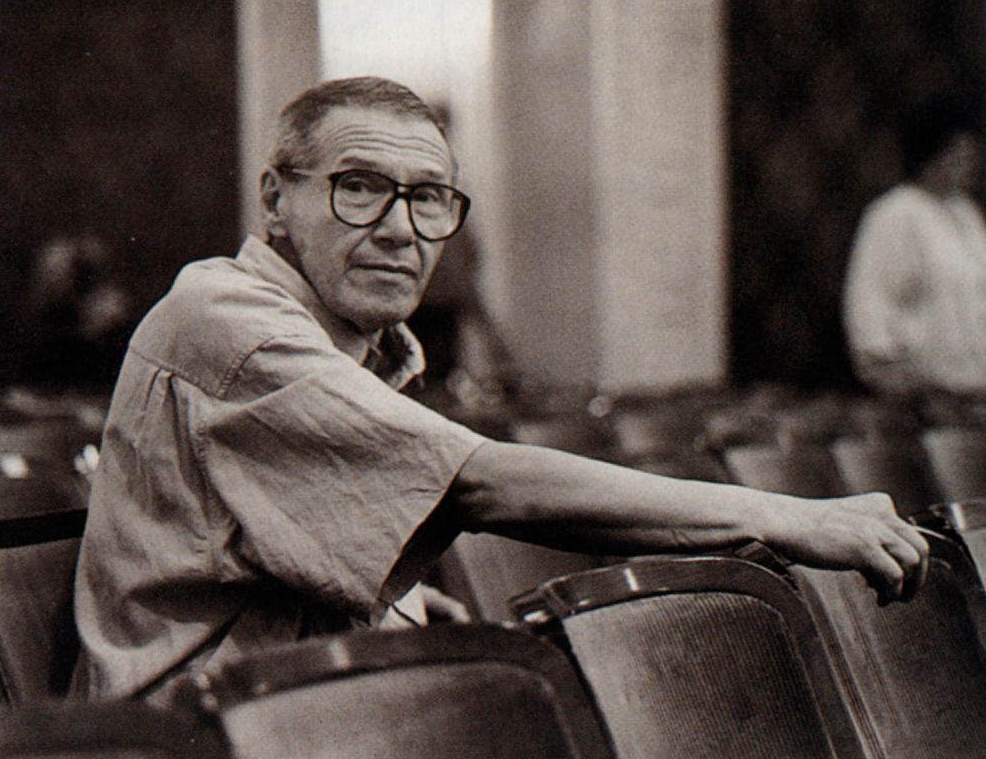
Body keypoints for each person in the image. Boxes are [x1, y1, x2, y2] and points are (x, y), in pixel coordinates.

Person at [73, 76, 928, 705]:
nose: (400, 230)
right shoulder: (227, 318)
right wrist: (785, 515)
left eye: (427, 198)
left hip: (295, 705)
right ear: (274, 202)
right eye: (358, 187)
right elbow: (479, 481)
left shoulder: (345, 341)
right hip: (192, 733)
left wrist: (401, 604)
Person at [844, 97, 986, 399]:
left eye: (971, 153)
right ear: (930, 155)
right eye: (958, 153)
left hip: (974, 388)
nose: (968, 163)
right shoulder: (894, 214)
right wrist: (889, 370)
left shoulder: (966, 214)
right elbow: (871, 300)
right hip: (924, 392)